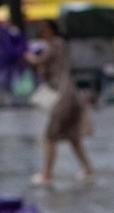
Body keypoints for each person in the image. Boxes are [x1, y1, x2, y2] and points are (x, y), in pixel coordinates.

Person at [31, 20, 94, 185]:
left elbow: (42, 60)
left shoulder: (55, 44)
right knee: (73, 136)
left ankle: (47, 174)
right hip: (69, 94)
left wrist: (31, 58)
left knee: (51, 135)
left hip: (63, 96)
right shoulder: (58, 44)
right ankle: (88, 169)